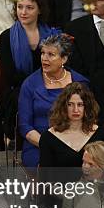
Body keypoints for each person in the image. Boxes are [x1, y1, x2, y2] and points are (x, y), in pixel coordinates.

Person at [0, 0, 59, 148]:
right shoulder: (7, 37)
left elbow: (59, 67)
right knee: (22, 99)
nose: (23, 12)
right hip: (18, 87)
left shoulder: (52, 36)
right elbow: (10, 76)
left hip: (50, 84)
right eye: (20, 7)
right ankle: (22, 138)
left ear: (40, 10)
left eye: (29, 7)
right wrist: (36, 85)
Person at [17, 33, 89, 168]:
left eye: (51, 54)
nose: (44, 58)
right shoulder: (30, 84)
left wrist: (72, 144)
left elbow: (89, 118)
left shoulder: (80, 83)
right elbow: (24, 126)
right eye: (43, 53)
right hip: (38, 144)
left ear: (64, 59)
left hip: (75, 143)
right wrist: (49, 145)